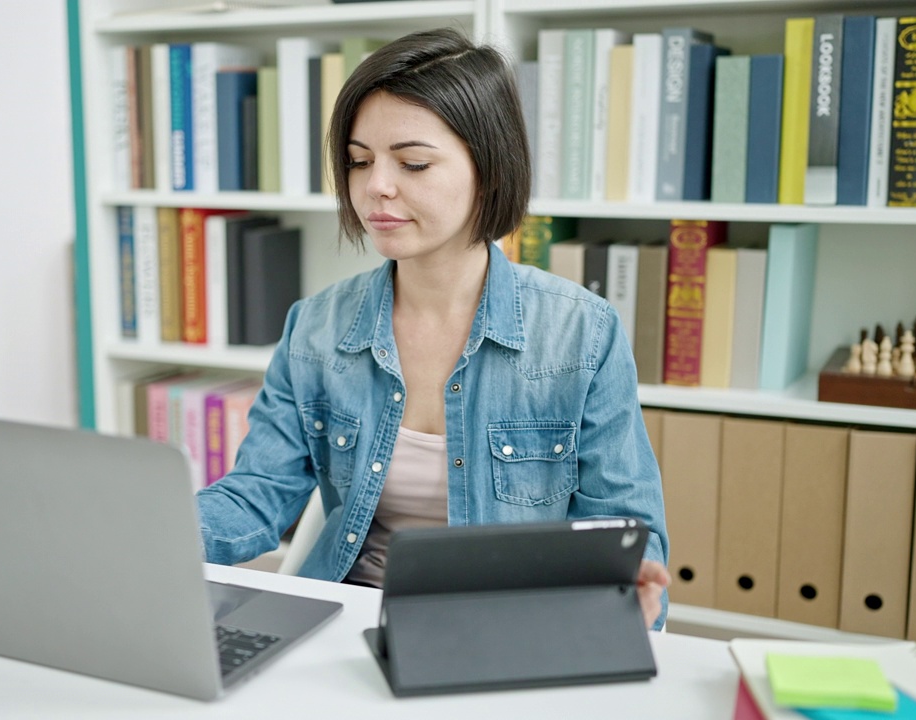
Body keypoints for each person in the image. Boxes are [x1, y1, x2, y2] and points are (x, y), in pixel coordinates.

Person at [195, 27, 670, 629]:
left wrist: (628, 594)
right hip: (350, 620)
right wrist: (153, 533)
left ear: (490, 168)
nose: (376, 187)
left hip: (512, 628)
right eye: (359, 161)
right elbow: (257, 494)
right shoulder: (314, 328)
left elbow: (629, 529)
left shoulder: (581, 333)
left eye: (413, 162)